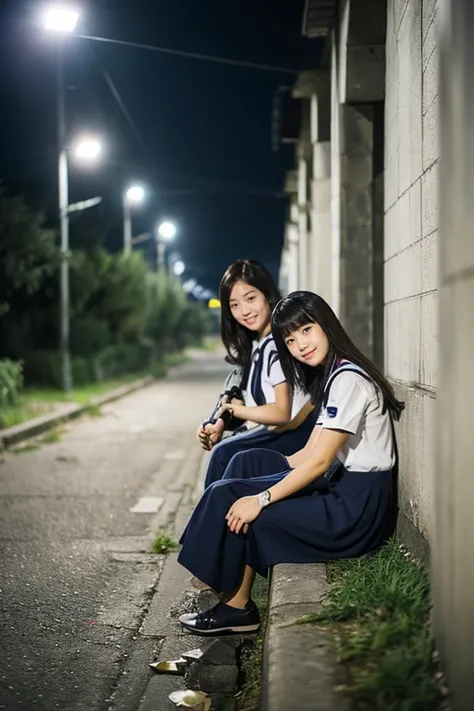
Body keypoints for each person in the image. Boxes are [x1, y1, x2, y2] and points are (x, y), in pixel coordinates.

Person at [178, 291, 404, 636]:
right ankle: (228, 596)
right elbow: (305, 456)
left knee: (253, 513)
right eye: (291, 339)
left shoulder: (349, 380)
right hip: (345, 492)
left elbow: (319, 463)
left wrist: (261, 498)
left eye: (307, 330)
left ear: (326, 325)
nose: (301, 344)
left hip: (357, 510)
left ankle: (237, 609)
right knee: (240, 472)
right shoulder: (332, 377)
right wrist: (259, 478)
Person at [197, 260, 316, 489]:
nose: (245, 311)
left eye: (251, 298)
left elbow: (281, 412)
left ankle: (210, 521)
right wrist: (221, 423)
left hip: (298, 436)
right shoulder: (259, 343)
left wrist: (233, 409)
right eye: (234, 305)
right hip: (283, 433)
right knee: (226, 451)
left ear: (267, 295)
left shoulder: (277, 343)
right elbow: (248, 402)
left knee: (224, 454)